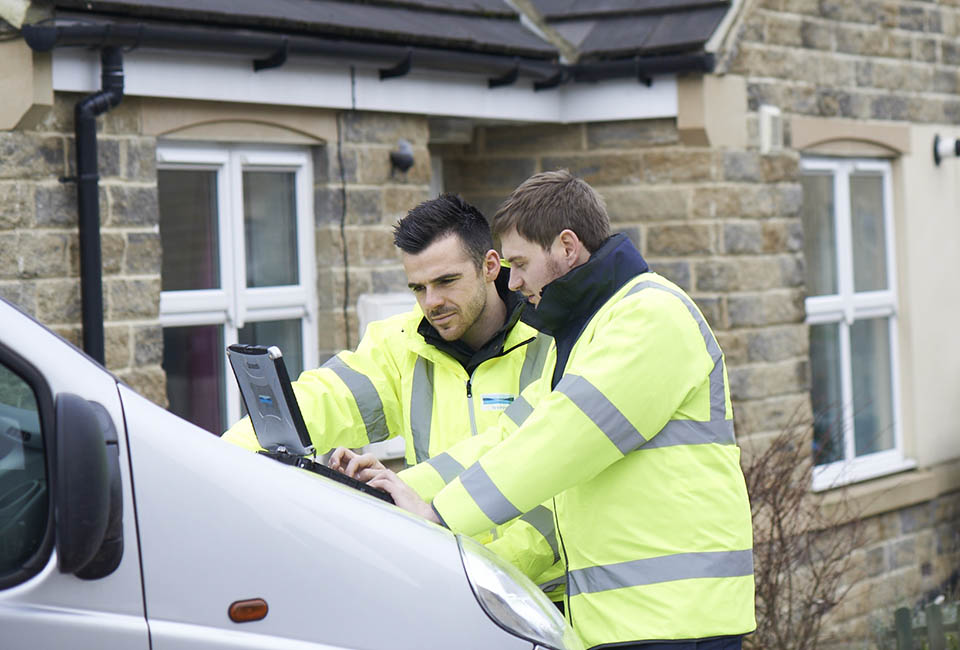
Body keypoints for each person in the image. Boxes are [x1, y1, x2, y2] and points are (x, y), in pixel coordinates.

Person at [337, 171, 756, 649]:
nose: (512, 281)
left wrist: (438, 514)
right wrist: (397, 489)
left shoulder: (651, 317)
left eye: (519, 262)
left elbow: (559, 442)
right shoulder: (588, 335)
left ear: (567, 248)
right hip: (629, 619)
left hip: (678, 621)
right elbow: (510, 436)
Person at [222, 192, 562, 599]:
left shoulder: (554, 340)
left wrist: (486, 570)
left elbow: (560, 498)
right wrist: (221, 459)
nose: (431, 302)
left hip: (545, 597)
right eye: (418, 288)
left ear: (491, 266)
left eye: (446, 281)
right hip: (447, 583)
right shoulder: (399, 344)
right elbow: (321, 399)